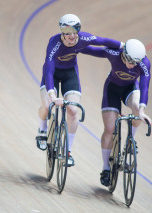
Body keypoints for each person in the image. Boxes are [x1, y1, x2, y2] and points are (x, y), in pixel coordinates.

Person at [35, 14, 124, 167]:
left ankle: (68, 151)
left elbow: (105, 41)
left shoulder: (83, 38)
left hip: (70, 74)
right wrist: (52, 94)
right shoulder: (54, 43)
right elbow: (49, 70)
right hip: (52, 75)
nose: (72, 35)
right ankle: (42, 128)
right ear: (62, 32)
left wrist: (124, 45)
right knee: (47, 105)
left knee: (73, 111)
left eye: (75, 30)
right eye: (67, 32)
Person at [80, 39, 152, 185]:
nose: (132, 65)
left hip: (130, 89)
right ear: (124, 54)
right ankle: (106, 168)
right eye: (130, 60)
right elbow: (93, 50)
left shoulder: (144, 63)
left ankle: (130, 141)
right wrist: (75, 46)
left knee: (137, 109)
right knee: (109, 128)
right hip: (112, 89)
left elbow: (144, 87)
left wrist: (142, 110)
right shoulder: (114, 52)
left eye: (135, 62)